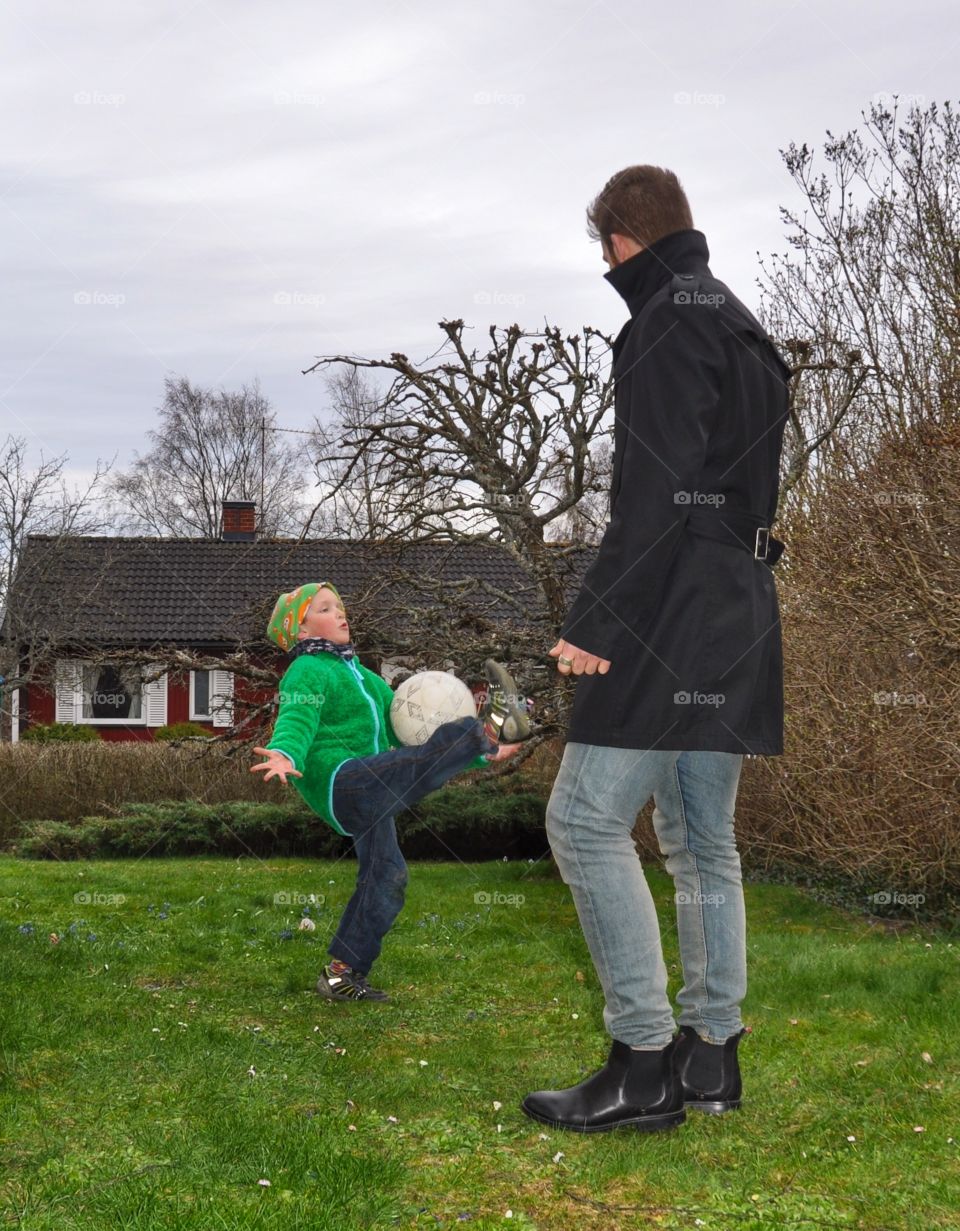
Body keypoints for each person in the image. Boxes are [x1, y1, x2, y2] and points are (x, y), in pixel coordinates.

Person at [521, 165, 792, 1133]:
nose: (605, 267)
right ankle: (710, 1059)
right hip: (739, 611)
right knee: (697, 838)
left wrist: (596, 620)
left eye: (604, 250)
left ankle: (640, 1062)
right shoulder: (745, 327)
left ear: (622, 238)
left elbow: (653, 498)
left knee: (585, 821)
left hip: (673, 613)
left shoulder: (667, 322)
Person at [251, 581, 531, 1002]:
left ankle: (342, 975)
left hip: (373, 790)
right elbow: (297, 717)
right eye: (326, 608)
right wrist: (285, 753)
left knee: (388, 877)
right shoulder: (307, 670)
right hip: (342, 781)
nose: (341, 613)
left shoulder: (366, 677)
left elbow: (413, 747)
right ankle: (487, 728)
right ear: (303, 632)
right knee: (414, 764)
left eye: (341, 605)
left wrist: (482, 759)